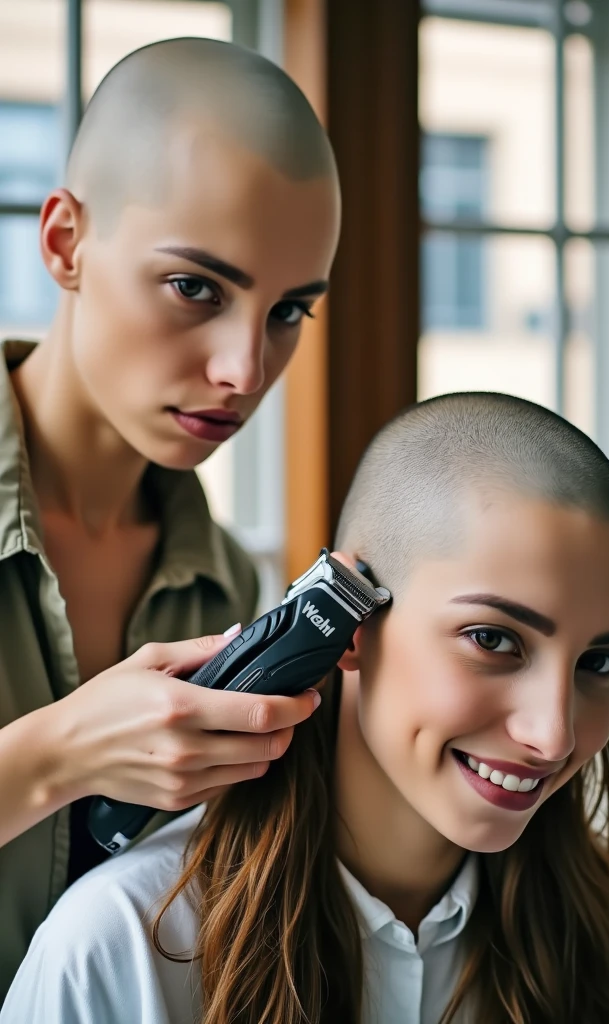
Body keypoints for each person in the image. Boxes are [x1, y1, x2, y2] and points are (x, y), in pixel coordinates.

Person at [4, 392, 609, 1024]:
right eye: (494, 640)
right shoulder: (120, 948)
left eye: (599, 663)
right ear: (351, 622)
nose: (552, 734)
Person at [0, 36, 340, 998]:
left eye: (287, 313)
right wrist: (56, 755)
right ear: (66, 241)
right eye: (197, 287)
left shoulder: (231, 592)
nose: (244, 371)